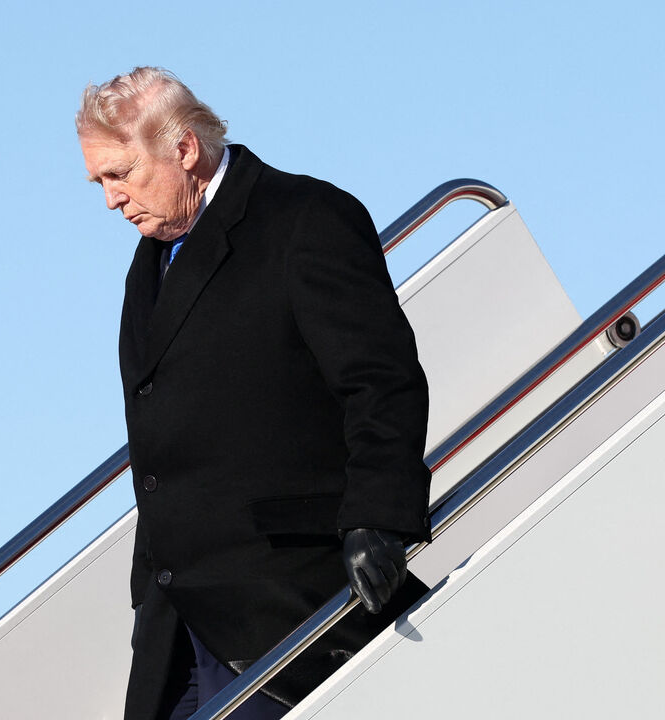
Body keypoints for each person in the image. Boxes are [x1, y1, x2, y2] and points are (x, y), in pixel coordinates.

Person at [76, 67, 432, 720]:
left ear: (183, 149)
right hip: (177, 623)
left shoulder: (302, 219)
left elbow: (380, 381)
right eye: (99, 181)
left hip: (282, 597)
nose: (109, 199)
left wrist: (380, 515)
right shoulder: (149, 267)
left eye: (119, 173)